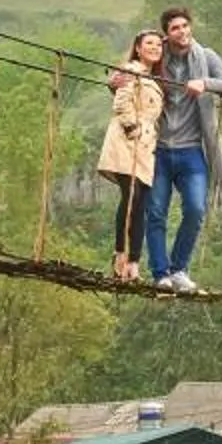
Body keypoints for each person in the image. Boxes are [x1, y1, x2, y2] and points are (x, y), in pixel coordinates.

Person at [144, 5, 222, 292]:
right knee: (156, 211)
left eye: (185, 26)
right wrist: (114, 81)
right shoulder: (159, 58)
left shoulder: (205, 56)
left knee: (196, 208)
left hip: (191, 149)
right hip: (158, 148)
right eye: (175, 28)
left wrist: (204, 83)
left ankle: (179, 268)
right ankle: (161, 274)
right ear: (167, 35)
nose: (182, 32)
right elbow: (132, 68)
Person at [96, 30, 164, 282]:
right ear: (137, 47)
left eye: (158, 44)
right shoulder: (129, 71)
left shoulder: (154, 79)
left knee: (141, 204)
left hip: (146, 148)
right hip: (128, 142)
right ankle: (120, 256)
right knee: (131, 197)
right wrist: (132, 127)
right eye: (149, 43)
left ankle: (134, 263)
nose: (155, 48)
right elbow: (121, 102)